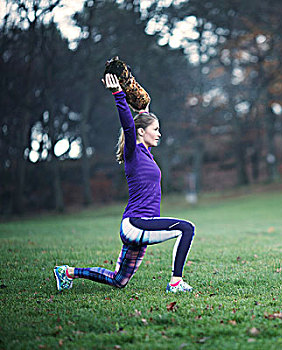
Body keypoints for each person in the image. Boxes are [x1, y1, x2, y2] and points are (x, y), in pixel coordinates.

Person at [53, 73, 195, 293]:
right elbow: (129, 126)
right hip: (136, 224)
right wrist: (118, 94)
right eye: (155, 129)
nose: (159, 134)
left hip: (141, 225)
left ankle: (67, 272)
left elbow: (141, 118)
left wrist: (143, 105)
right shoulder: (133, 152)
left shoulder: (146, 153)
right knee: (186, 228)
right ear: (141, 132)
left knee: (119, 280)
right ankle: (176, 282)